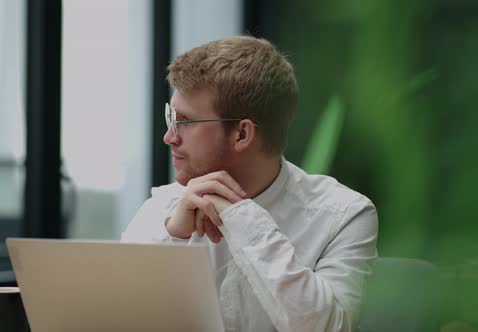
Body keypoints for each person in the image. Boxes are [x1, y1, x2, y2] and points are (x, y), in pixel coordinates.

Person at [122, 36, 378, 332]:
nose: (170, 137)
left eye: (185, 122)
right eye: (171, 117)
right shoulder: (164, 208)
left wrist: (243, 218)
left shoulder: (344, 215)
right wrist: (172, 236)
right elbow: (114, 317)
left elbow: (328, 328)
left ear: (242, 134)